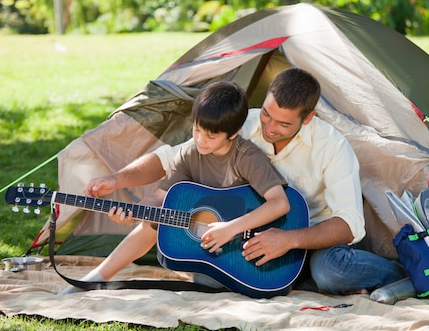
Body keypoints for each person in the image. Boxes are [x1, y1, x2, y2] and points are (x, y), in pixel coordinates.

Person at [155, 68, 406, 296]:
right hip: (250, 234)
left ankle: (401, 276)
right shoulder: (242, 123)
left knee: (330, 272)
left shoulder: (333, 146)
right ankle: (311, 284)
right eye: (266, 113)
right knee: (208, 279)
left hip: (315, 241)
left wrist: (290, 240)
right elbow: (179, 154)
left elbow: (351, 225)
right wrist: (121, 181)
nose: (270, 128)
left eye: (284, 123)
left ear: (308, 118)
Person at [58, 81, 290, 294]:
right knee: (156, 220)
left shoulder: (246, 156)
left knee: (208, 282)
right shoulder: (190, 153)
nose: (200, 140)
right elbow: (160, 197)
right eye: (197, 130)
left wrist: (230, 228)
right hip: (207, 243)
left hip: (241, 250)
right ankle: (93, 279)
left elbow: (280, 203)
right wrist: (135, 211)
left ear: (234, 132)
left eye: (211, 135)